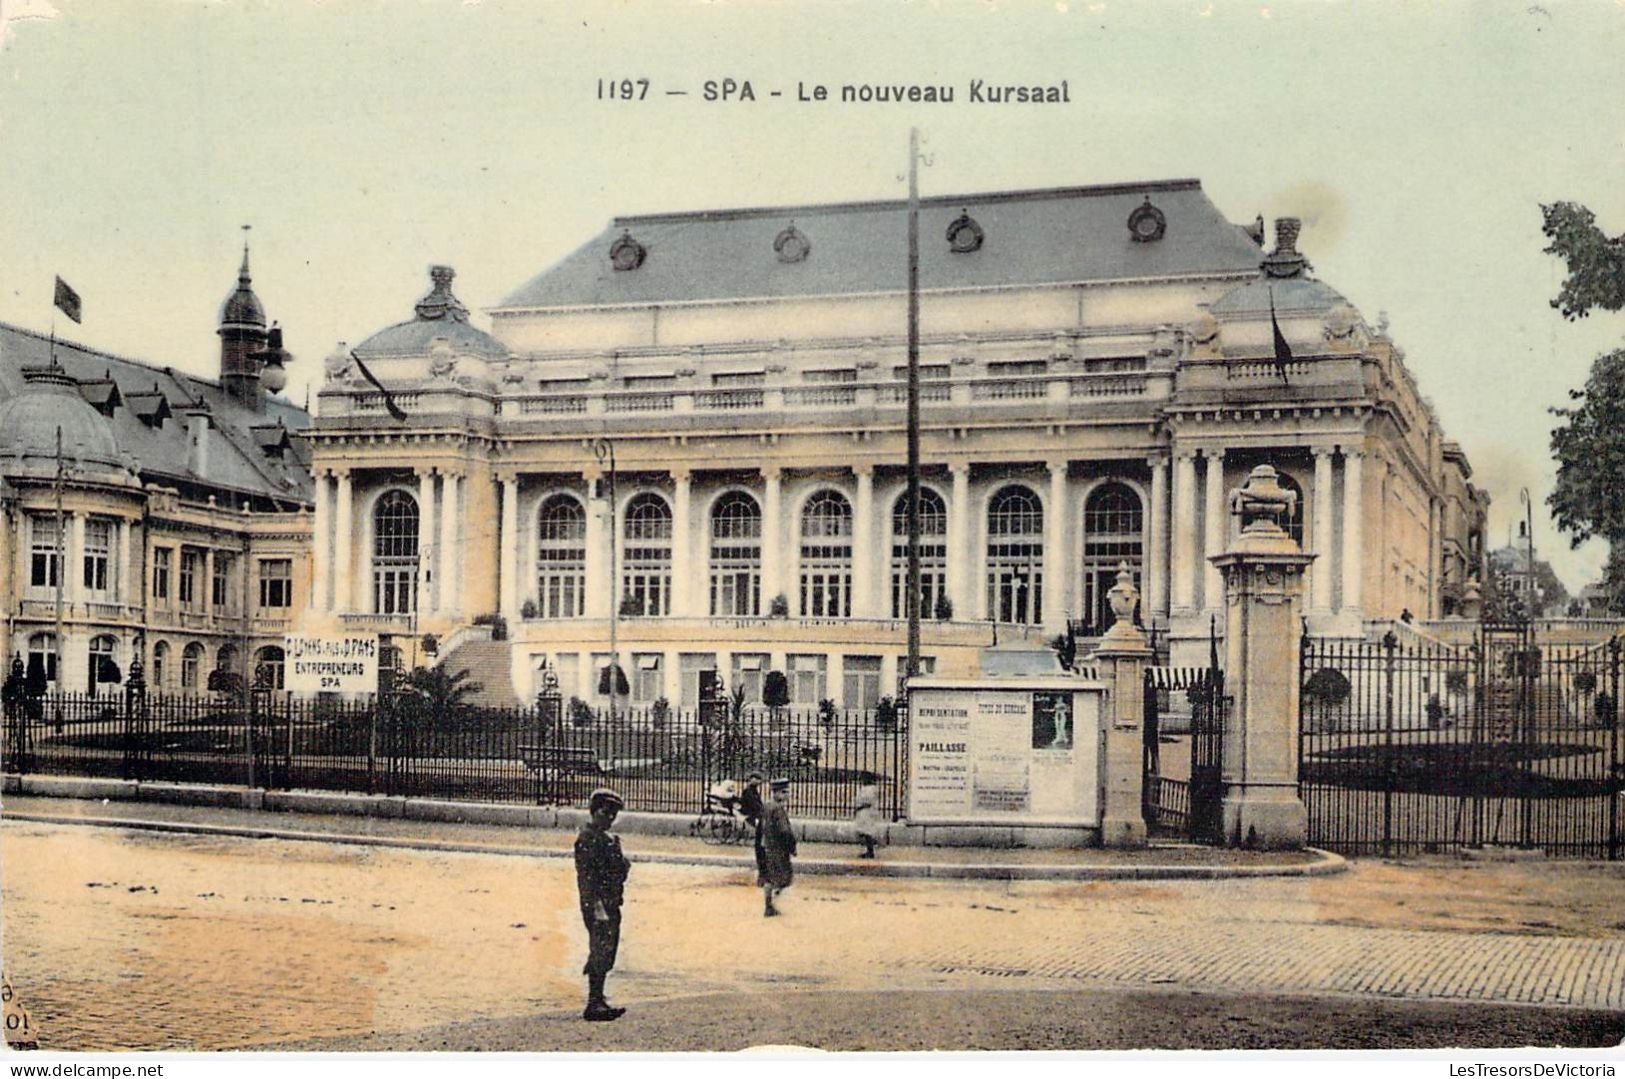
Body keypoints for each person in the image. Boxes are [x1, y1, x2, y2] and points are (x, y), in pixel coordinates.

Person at [574, 787, 630, 1021]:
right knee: (601, 949)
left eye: (612, 815)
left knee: (607, 949)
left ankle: (598, 998)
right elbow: (587, 877)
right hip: (598, 905)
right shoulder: (588, 839)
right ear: (594, 812)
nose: (609, 818)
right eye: (605, 813)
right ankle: (593, 1003)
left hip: (610, 902)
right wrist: (597, 907)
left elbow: (621, 868)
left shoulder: (605, 839)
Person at [759, 777, 797, 916]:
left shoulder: (767, 805)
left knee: (769, 877)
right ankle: (771, 905)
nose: (787, 795)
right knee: (783, 878)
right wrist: (792, 846)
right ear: (776, 793)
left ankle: (769, 905)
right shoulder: (778, 809)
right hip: (778, 848)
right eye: (784, 792)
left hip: (766, 846)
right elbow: (785, 831)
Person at [739, 770, 767, 883]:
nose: (759, 781)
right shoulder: (748, 791)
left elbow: (758, 804)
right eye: (756, 778)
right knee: (760, 845)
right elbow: (753, 805)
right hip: (751, 815)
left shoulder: (753, 790)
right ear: (751, 779)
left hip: (756, 814)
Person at [852, 773, 882, 859]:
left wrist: (859, 806)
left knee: (867, 832)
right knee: (864, 832)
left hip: (866, 812)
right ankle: (870, 849)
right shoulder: (868, 788)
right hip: (864, 812)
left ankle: (871, 850)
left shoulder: (870, 789)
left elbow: (867, 801)